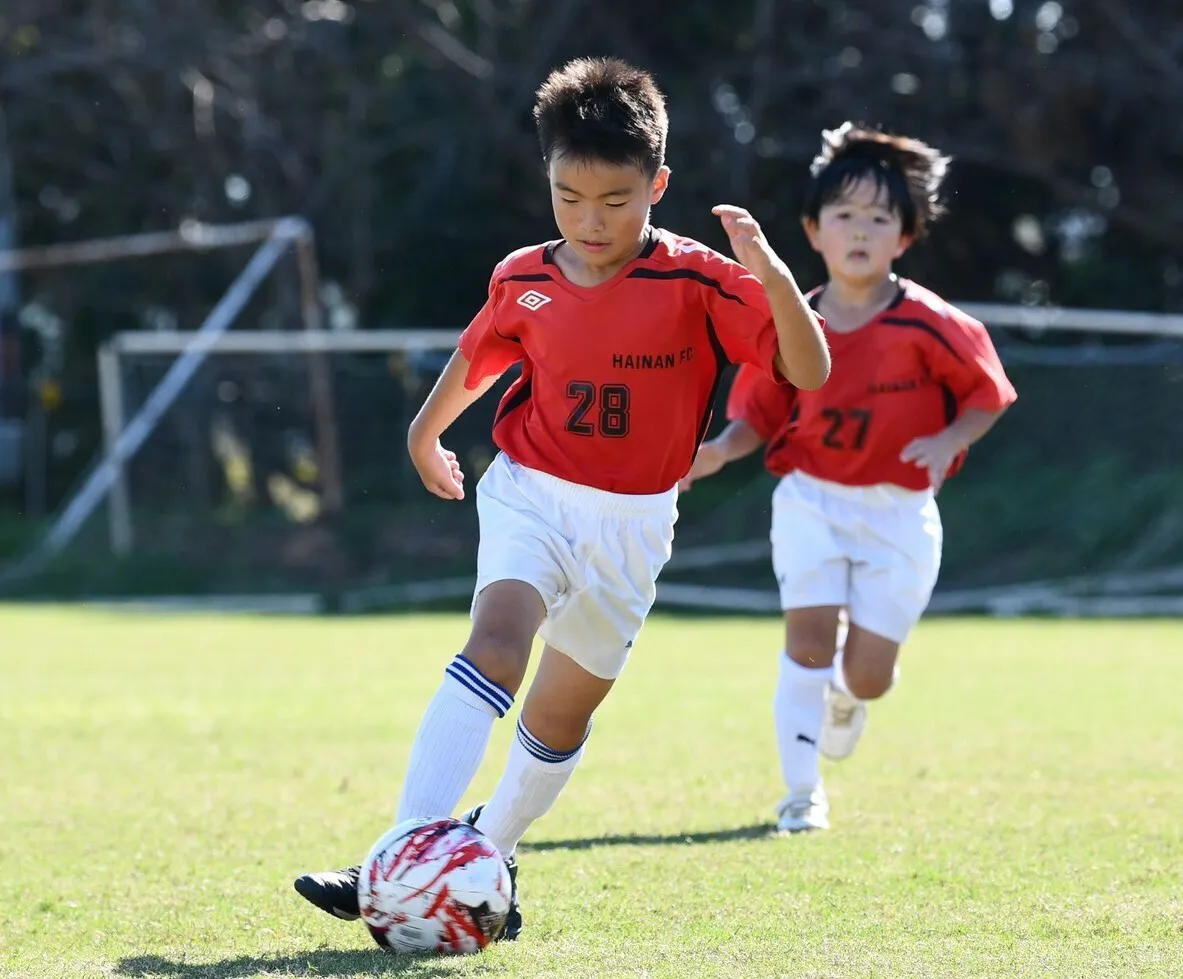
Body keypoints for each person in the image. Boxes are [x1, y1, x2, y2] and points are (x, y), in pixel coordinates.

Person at [293, 56, 830, 939]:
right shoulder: (522, 276)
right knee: (496, 643)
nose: (589, 220)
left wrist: (773, 276)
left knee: (560, 712)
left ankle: (490, 850)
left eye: (615, 200)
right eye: (568, 197)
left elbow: (807, 370)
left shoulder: (700, 280)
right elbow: (479, 356)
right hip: (530, 493)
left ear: (657, 185)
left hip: (634, 526)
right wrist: (424, 434)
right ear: (546, 178)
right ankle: (399, 852)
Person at [681, 122, 1017, 835]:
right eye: (843, 214)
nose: (860, 230)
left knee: (869, 677)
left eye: (879, 217)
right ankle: (801, 796)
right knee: (805, 641)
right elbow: (757, 418)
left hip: (900, 513)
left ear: (905, 236)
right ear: (812, 230)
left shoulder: (932, 323)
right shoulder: (793, 323)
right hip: (811, 500)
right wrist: (717, 451)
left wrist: (949, 438)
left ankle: (845, 693)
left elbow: (988, 395)